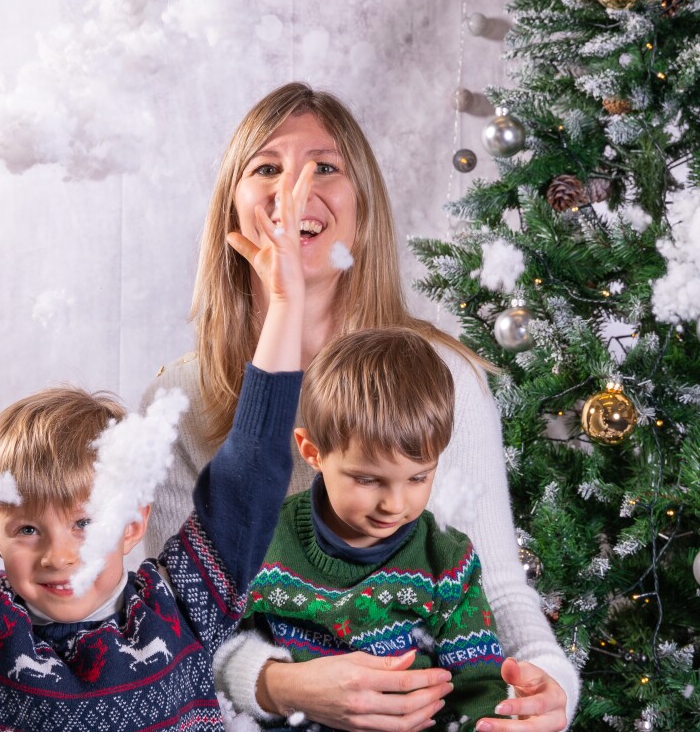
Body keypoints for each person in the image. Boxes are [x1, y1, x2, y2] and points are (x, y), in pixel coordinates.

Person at [144, 83, 576, 732]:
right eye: (267, 168)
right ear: (233, 210)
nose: (295, 190)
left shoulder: (445, 377)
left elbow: (498, 586)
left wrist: (551, 684)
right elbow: (170, 624)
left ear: (361, 208)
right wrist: (279, 685)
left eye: (324, 166)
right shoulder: (178, 403)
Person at [0, 156, 310, 729]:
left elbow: (252, 468)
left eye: (86, 523)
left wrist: (285, 307)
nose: (59, 555)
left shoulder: (184, 604)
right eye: (27, 530)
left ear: (133, 522)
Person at [243, 327, 507, 731]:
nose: (395, 505)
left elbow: (480, 688)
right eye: (368, 480)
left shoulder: (447, 562)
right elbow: (213, 656)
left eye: (418, 478)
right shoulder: (262, 541)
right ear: (312, 452)